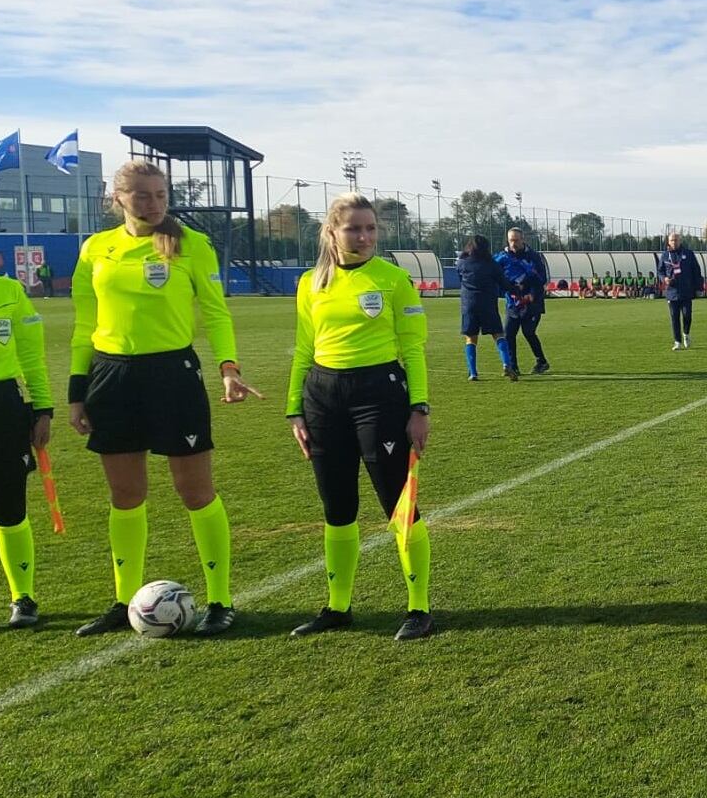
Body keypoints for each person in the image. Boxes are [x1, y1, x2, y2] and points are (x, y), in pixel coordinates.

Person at [69, 160, 263, 637]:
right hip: (110, 378)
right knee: (125, 495)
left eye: (160, 194)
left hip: (173, 376)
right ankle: (122, 601)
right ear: (117, 199)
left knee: (195, 491)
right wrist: (78, 392)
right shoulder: (96, 249)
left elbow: (216, 313)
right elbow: (82, 326)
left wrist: (228, 368)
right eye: (141, 195)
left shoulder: (192, 245)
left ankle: (220, 600)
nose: (153, 203)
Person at [285, 195, 435, 641]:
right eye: (354, 229)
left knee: (399, 504)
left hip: (380, 397)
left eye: (370, 228)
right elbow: (303, 349)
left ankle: (419, 608)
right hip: (323, 398)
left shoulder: (393, 280)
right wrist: (295, 408)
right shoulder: (310, 283)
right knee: (337, 508)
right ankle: (337, 607)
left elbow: (412, 348)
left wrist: (419, 407)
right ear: (331, 232)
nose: (365, 236)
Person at [0, 216, 52, 635]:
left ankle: (23, 597)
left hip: (0, 407)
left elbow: (32, 356)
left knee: (9, 510)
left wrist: (44, 409)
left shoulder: (8, 292)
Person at [457, 236, 514, 381]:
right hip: (488, 303)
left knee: (471, 338)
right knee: (498, 335)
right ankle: (507, 364)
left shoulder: (462, 263)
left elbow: (460, 278)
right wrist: (517, 288)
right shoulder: (492, 264)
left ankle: (473, 372)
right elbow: (504, 283)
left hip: (469, 304)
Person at [499, 228, 552, 375]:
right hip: (512, 303)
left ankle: (541, 361)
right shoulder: (503, 257)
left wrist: (532, 294)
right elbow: (497, 275)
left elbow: (541, 279)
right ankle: (512, 367)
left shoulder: (533, 257)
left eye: (516, 240)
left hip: (531, 302)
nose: (513, 243)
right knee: (508, 334)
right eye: (511, 240)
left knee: (528, 332)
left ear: (523, 240)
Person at [658, 232, 703, 349]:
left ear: (680, 241)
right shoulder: (664, 255)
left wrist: (699, 288)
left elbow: (696, 271)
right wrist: (664, 279)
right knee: (674, 317)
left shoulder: (688, 254)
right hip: (672, 291)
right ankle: (677, 341)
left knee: (687, 315)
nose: (674, 242)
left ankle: (686, 334)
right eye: (672, 240)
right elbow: (660, 271)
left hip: (686, 290)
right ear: (668, 242)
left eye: (676, 240)